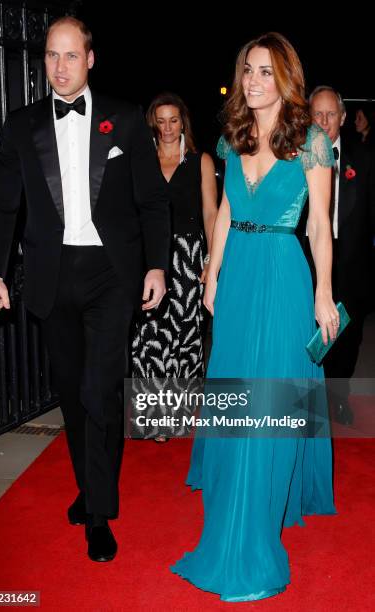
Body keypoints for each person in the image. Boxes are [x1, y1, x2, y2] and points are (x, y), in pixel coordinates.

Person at [0, 17, 170, 562]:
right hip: (51, 275)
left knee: (99, 392)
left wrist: (156, 267)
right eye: (50, 56)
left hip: (112, 274)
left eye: (70, 56)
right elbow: (1, 207)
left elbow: (152, 202)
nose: (58, 67)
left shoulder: (125, 119)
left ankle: (99, 513)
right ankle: (89, 486)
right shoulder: (20, 127)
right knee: (70, 392)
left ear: (90, 59)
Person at [171, 32, 337, 601]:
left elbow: (319, 225)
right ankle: (238, 502)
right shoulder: (230, 138)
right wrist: (212, 274)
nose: (254, 80)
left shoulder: (312, 142)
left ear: (285, 78)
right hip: (238, 277)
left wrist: (323, 294)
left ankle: (255, 523)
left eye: (266, 71)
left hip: (284, 278)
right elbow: (222, 215)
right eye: (248, 70)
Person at [301, 86, 375, 424]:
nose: (324, 120)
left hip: (350, 266)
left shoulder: (364, 158)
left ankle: (338, 397)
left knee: (346, 337)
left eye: (331, 114)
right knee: (306, 333)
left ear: (343, 118)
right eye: (317, 113)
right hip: (305, 261)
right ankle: (308, 397)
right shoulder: (295, 157)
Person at [131, 92, 217, 381]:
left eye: (173, 121)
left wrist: (211, 261)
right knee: (149, 329)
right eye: (161, 121)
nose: (167, 128)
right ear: (153, 124)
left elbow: (210, 214)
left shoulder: (200, 160)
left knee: (186, 328)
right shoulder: (142, 160)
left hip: (189, 257)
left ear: (183, 124)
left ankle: (181, 404)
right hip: (151, 255)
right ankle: (151, 405)